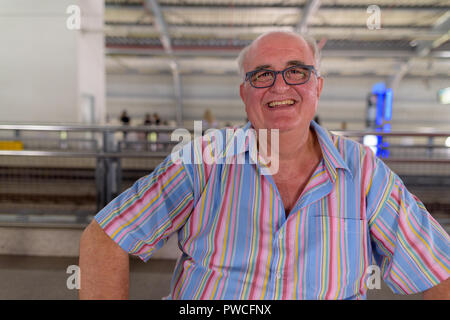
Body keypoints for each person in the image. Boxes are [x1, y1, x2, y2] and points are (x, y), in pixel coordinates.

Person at [79, 31, 449, 300]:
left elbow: (438, 270)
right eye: (262, 75)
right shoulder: (203, 161)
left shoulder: (364, 173)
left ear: (317, 87)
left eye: (296, 71)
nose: (279, 86)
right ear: (245, 94)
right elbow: (106, 237)